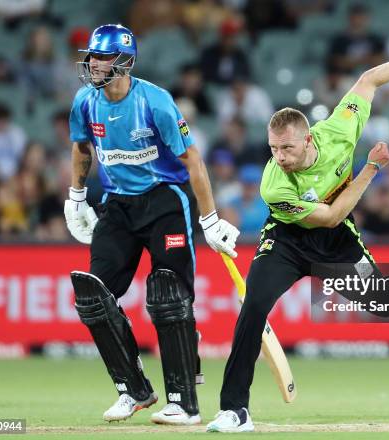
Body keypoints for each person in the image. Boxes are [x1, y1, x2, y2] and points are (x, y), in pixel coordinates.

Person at [207, 33, 389, 433]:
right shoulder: (273, 184)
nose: (280, 157)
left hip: (336, 242)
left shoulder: (340, 129)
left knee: (382, 306)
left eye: (287, 149)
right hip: (288, 242)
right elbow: (325, 215)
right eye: (274, 148)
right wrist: (370, 169)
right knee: (253, 307)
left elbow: (369, 79)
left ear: (308, 138)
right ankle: (234, 410)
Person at [63, 24, 239, 425]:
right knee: (93, 296)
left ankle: (184, 403)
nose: (93, 64)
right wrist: (76, 195)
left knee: (168, 294)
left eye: (103, 57)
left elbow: (192, 159)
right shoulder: (85, 101)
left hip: (165, 202)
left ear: (124, 63)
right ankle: (133, 391)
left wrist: (209, 219)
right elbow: (80, 146)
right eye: (92, 56)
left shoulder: (155, 102)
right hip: (118, 205)